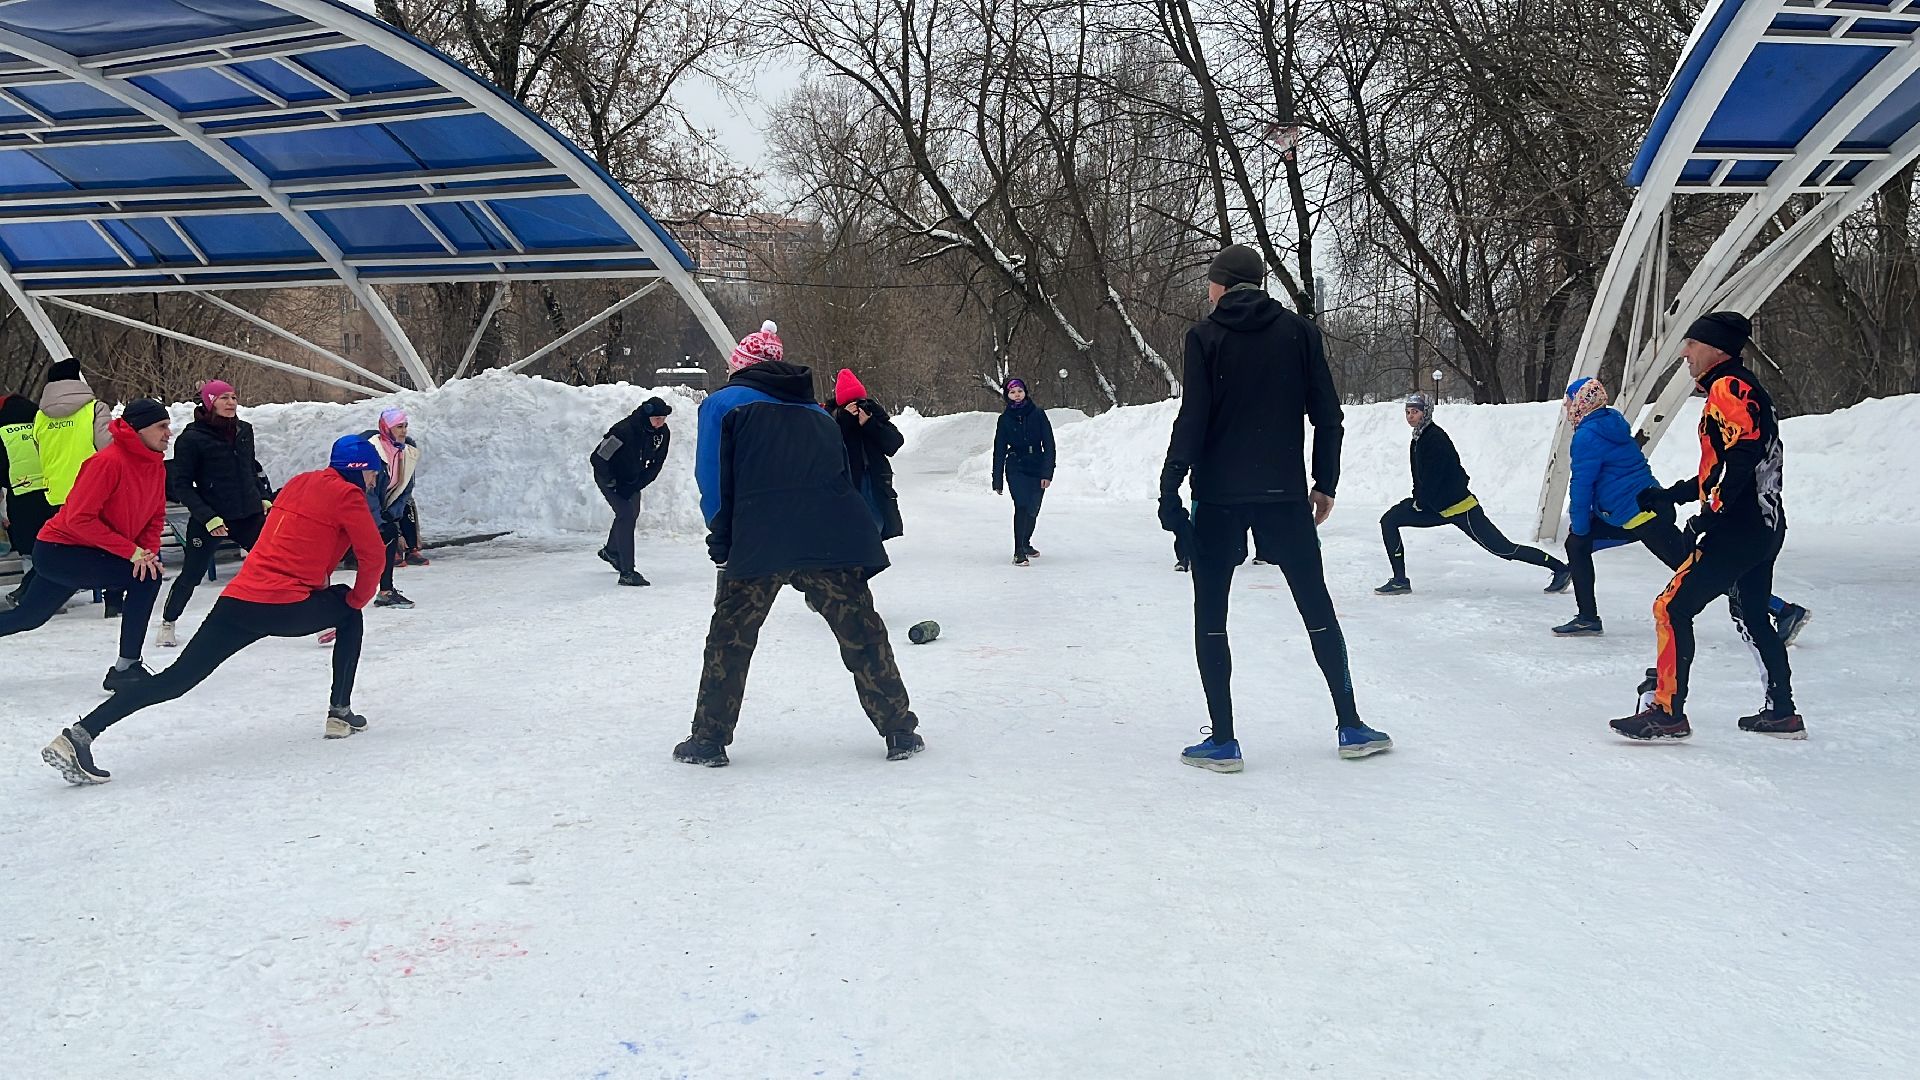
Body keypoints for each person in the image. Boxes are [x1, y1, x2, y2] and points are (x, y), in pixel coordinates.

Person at [1158, 243, 1390, 771]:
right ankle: (1352, 725)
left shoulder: (1203, 337)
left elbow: (1193, 417)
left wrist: (1170, 484)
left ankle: (1223, 740)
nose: (1208, 292)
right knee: (1316, 607)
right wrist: (1324, 482)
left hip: (1217, 498)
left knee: (1211, 615)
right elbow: (1328, 416)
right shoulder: (1299, 333)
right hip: (1284, 496)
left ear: (1221, 284)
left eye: (1210, 282)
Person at [40, 435, 390, 785]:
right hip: (286, 604)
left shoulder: (299, 483)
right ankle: (339, 712)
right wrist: (355, 600)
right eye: (372, 472)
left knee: (174, 680)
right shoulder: (348, 495)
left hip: (238, 600)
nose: (373, 480)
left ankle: (78, 736)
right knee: (348, 611)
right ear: (357, 469)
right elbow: (373, 555)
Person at [678, 319, 923, 766]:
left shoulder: (722, 404)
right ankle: (900, 731)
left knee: (731, 638)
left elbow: (713, 478)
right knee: (862, 633)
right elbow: (840, 475)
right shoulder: (817, 413)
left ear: (741, 366)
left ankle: (709, 741)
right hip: (829, 538)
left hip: (760, 539)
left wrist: (721, 535)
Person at [1610, 311, 1804, 741]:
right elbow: (1725, 465)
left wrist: (1708, 515)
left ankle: (1666, 711)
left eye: (1692, 344)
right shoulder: (1744, 387)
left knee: (1671, 608)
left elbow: (1742, 458)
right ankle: (1782, 711)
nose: (1685, 353)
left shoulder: (1728, 386)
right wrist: (1674, 495)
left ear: (1716, 349)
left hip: (1737, 529)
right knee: (1753, 615)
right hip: (1764, 526)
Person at [1552, 376, 1811, 641]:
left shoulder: (1587, 435)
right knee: (1578, 545)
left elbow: (1582, 485)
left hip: (1640, 515)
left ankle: (1783, 610)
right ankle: (1587, 616)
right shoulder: (1611, 422)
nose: (1567, 407)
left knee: (1699, 572)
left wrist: (1580, 526)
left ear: (1581, 403)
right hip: (1645, 506)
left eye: (1569, 401)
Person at [0, 399, 170, 691]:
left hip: (92, 551)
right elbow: (79, 519)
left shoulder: (155, 464)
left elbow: (155, 516)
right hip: (59, 551)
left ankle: (126, 668)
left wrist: (148, 553)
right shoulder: (107, 462)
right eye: (161, 426)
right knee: (146, 579)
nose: (169, 432)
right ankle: (126, 669)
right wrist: (133, 553)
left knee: (28, 618)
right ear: (139, 429)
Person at [1375, 393, 1572, 596]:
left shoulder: (1435, 438)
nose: (1410, 416)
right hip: (1435, 507)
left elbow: (1437, 477)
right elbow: (1420, 478)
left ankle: (1561, 569)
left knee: (1503, 549)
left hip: (1460, 508)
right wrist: (1417, 500)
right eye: (1407, 412)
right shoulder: (1418, 439)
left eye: (1415, 412)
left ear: (1426, 413)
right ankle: (1400, 580)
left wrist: (1421, 502)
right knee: (1390, 520)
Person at [156, 380, 275, 646]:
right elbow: (181, 485)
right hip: (211, 518)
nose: (231, 402)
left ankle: (298, 617)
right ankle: (168, 623)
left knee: (274, 565)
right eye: (223, 398)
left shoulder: (244, 430)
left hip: (248, 514)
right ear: (210, 402)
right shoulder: (191, 439)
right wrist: (207, 517)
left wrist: (263, 498)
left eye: (233, 397)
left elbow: (250, 469)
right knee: (192, 574)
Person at [591, 395, 673, 586]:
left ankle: (611, 551)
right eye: (657, 419)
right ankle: (627, 572)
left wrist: (636, 485)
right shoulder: (624, 431)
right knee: (626, 514)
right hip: (609, 477)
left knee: (631, 513)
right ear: (647, 416)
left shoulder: (662, 433)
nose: (660, 423)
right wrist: (611, 482)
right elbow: (598, 458)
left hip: (631, 479)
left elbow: (657, 464)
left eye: (663, 419)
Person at [832, 368, 905, 541]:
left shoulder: (874, 413)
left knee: (879, 524)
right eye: (850, 403)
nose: (857, 407)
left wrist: (870, 424)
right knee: (852, 527)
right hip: (848, 481)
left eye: (859, 401)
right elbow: (826, 446)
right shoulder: (832, 418)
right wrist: (844, 420)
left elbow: (894, 443)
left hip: (876, 479)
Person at [991, 378, 1055, 566]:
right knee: (1022, 505)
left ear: (1025, 392)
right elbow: (999, 450)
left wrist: (1047, 473)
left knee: (1033, 508)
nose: (1017, 395)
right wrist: (997, 479)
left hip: (1036, 464)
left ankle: (1026, 542)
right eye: (1012, 392)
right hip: (1016, 466)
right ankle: (1018, 551)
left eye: (1019, 391)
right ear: (1007, 396)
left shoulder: (1038, 414)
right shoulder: (1004, 419)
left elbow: (1049, 445)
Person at [362, 406, 421, 608]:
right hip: (358, 505)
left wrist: (391, 516)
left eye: (405, 426)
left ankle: (386, 592)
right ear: (386, 428)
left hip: (381, 507)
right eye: (398, 427)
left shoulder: (407, 452)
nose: (404, 431)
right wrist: (379, 519)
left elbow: (406, 488)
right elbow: (367, 490)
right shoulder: (372, 450)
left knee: (389, 535)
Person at [1, 389, 54, 607]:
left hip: (21, 495)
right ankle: (49, 594)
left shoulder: (3, 432)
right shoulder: (41, 426)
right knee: (49, 542)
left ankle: (34, 596)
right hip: (50, 491)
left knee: (28, 548)